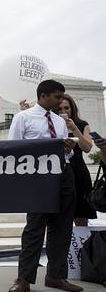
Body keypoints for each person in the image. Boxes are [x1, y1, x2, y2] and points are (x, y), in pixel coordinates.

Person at [7, 80, 81, 292]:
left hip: (63, 174)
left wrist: (67, 147)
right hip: (37, 176)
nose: (60, 101)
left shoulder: (59, 121)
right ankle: (23, 280)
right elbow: (13, 149)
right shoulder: (23, 118)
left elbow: (68, 153)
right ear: (44, 95)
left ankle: (56, 276)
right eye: (57, 97)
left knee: (63, 228)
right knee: (35, 228)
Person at [58, 94, 96, 226]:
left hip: (79, 171)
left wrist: (74, 129)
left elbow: (87, 148)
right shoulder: (52, 125)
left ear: (72, 109)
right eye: (59, 109)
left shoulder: (82, 124)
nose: (63, 112)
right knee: (60, 217)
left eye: (66, 108)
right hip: (59, 170)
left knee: (81, 215)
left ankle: (82, 246)